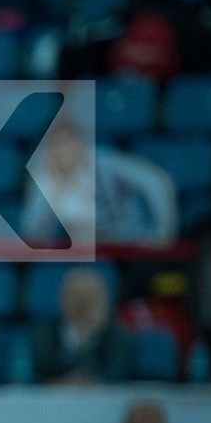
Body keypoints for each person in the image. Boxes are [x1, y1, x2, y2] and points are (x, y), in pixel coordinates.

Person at [19, 124, 178, 247]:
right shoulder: (46, 176)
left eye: (68, 144)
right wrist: (54, 188)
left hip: (131, 245)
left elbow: (157, 183)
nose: (63, 153)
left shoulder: (106, 163)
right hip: (87, 253)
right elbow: (33, 234)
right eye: (56, 147)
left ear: (81, 144)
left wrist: (162, 234)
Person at [32, 267, 132, 384]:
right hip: (55, 399)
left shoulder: (120, 336)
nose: (81, 303)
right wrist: (65, 383)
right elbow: (38, 377)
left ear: (102, 300)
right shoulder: (45, 334)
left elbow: (118, 376)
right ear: (62, 298)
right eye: (74, 295)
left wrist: (88, 335)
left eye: (87, 297)